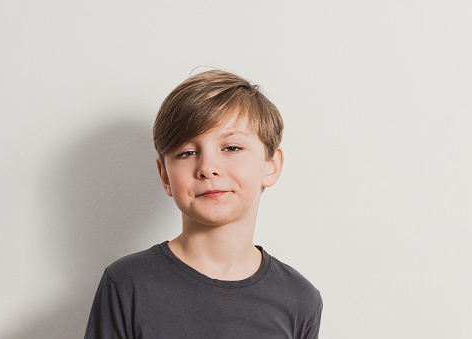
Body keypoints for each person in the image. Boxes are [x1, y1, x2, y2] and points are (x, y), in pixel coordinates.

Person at [85, 70, 323, 338]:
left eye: (231, 148)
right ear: (165, 176)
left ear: (271, 165)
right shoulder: (127, 284)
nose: (208, 167)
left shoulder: (300, 299)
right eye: (187, 153)